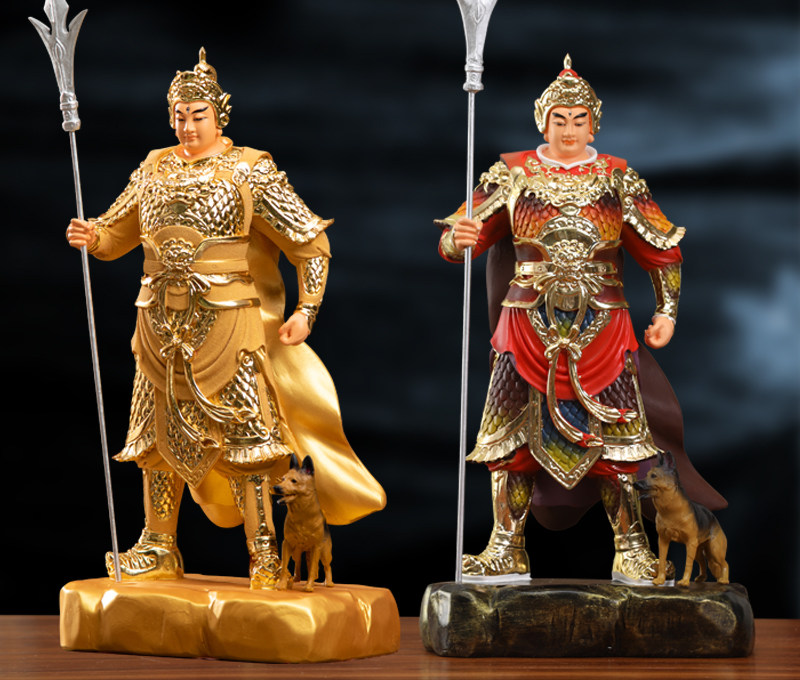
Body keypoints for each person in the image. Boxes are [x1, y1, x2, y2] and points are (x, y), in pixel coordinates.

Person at [67, 49, 385, 589]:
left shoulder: (249, 170)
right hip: (158, 323)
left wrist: (307, 309)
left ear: (219, 117)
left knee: (247, 443)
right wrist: (91, 234)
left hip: (228, 325)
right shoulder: (154, 167)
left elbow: (309, 241)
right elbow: (117, 230)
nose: (188, 126)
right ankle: (157, 545)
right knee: (154, 440)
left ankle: (263, 554)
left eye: (199, 115)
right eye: (179, 116)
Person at [437, 55, 723, 584]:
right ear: (542, 121)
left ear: (594, 124)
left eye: (578, 120)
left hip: (603, 329)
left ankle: (631, 549)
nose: (569, 130)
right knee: (510, 440)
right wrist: (460, 238)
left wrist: (667, 311)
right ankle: (505, 547)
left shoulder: (617, 179)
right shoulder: (512, 175)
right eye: (559, 119)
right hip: (526, 326)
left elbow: (662, 249)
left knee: (619, 442)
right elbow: (457, 239)